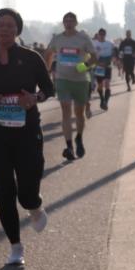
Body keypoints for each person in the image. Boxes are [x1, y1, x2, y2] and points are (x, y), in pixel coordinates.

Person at [0, 9, 54, 266]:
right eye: (0, 26)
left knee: (26, 192)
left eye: (10, 26)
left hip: (27, 132)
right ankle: (15, 247)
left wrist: (34, 98)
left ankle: (35, 205)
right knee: (5, 192)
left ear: (17, 30)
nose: (4, 30)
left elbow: (48, 89)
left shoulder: (31, 58)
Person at [45, 12, 96, 161]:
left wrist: (84, 66)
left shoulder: (83, 38)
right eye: (65, 20)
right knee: (65, 110)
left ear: (76, 22)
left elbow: (94, 58)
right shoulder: (57, 39)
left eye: (71, 20)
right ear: (63, 23)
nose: (68, 22)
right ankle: (69, 146)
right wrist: (47, 70)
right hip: (63, 79)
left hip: (80, 80)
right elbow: (48, 53)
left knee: (79, 113)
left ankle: (79, 138)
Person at [92, 28, 115, 110]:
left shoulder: (110, 44)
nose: (101, 36)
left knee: (107, 84)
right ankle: (102, 99)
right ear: (98, 35)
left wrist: (112, 58)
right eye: (100, 35)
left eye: (103, 35)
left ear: (105, 35)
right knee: (100, 85)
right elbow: (91, 55)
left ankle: (105, 102)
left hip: (107, 66)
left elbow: (114, 53)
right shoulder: (94, 44)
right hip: (99, 67)